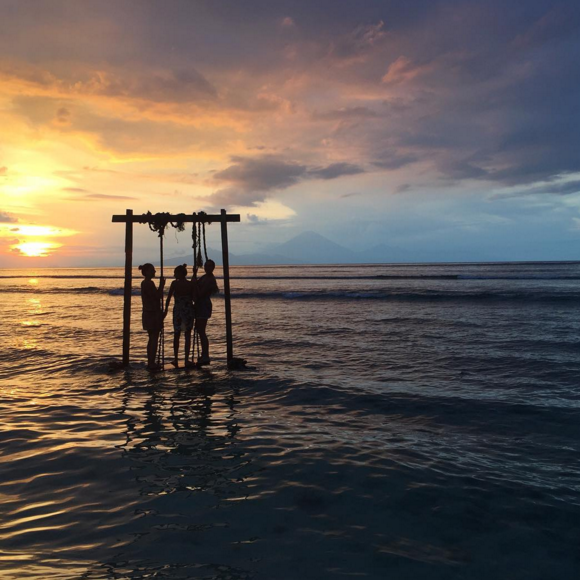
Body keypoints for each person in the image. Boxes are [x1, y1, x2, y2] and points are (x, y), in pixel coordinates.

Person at [164, 264, 195, 368]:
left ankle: (176, 358)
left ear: (180, 273)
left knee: (177, 334)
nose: (174, 274)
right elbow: (195, 298)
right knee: (187, 335)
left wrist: (165, 310)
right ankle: (186, 360)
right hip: (188, 310)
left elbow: (168, 298)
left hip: (178, 310)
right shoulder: (190, 284)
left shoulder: (174, 284)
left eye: (175, 272)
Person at [139, 263, 165, 371]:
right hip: (152, 313)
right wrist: (162, 285)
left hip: (148, 313)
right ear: (146, 272)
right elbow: (157, 296)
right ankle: (151, 363)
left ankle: (151, 361)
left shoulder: (145, 283)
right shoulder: (148, 284)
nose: (154, 272)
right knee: (154, 338)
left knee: (152, 338)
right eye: (152, 270)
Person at [192, 259, 219, 366]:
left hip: (203, 305)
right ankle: (204, 354)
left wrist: (195, 285)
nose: (207, 268)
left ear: (212, 267)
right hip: (200, 304)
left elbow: (201, 293)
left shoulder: (210, 279)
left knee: (202, 331)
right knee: (199, 330)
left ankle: (205, 355)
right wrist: (194, 274)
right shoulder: (204, 277)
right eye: (205, 266)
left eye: (209, 266)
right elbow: (195, 285)